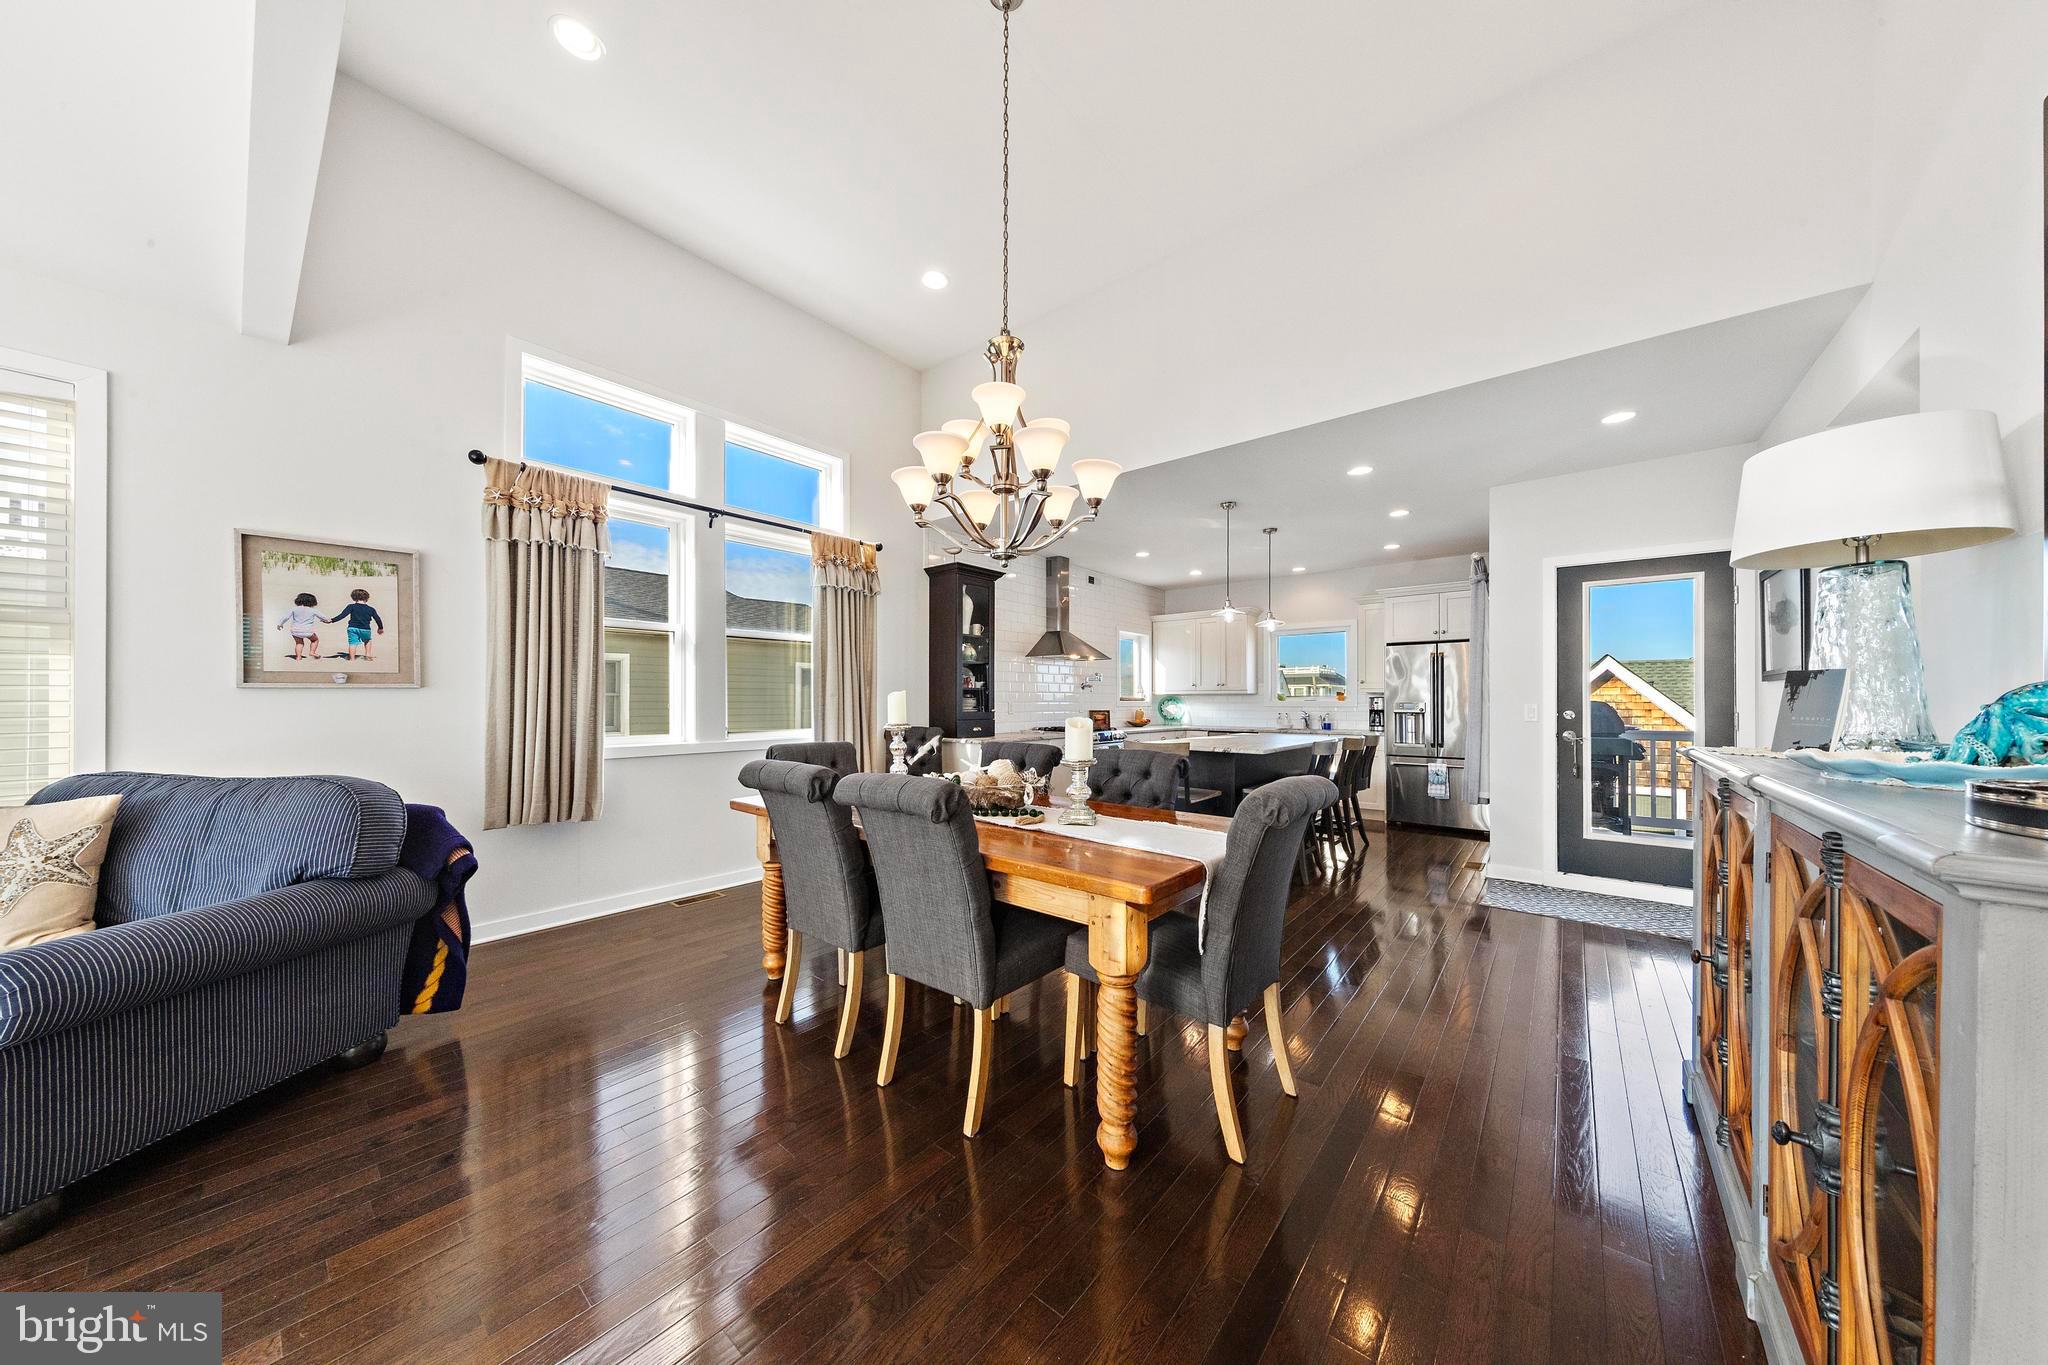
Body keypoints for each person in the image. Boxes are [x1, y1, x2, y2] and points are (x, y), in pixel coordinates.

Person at [328, 588, 385, 661]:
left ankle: (352, 658)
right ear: (367, 598)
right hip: (365, 629)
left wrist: (332, 620)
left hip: (352, 628)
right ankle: (368, 655)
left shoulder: (351, 606)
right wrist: (380, 628)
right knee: (367, 640)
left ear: (354, 598)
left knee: (352, 643)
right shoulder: (371, 609)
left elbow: (342, 615)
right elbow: (377, 619)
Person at [275, 592, 322, 661]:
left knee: (299, 643)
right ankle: (312, 652)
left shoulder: (294, 609)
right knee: (315, 640)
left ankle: (298, 657)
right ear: (312, 602)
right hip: (307, 631)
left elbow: (285, 617)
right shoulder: (313, 610)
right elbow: (322, 616)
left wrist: (280, 624)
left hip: (295, 630)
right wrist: (327, 620)